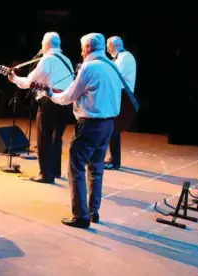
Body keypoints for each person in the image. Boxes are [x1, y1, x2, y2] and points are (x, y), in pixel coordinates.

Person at [47, 33, 122, 228]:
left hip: (90, 125)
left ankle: (80, 216)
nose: (81, 52)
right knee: (96, 169)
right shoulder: (112, 66)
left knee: (76, 167)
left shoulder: (90, 67)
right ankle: (92, 211)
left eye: (82, 48)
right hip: (108, 125)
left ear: (88, 48)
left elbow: (69, 96)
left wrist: (50, 94)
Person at [8, 32, 75, 183]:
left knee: (44, 137)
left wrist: (14, 79)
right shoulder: (67, 60)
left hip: (50, 102)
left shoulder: (47, 60)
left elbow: (29, 82)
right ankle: (55, 171)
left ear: (46, 45)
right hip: (66, 103)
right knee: (56, 138)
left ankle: (46, 174)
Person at [105, 36, 137, 170]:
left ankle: (115, 161)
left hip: (123, 95)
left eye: (108, 45)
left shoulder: (125, 57)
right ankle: (113, 158)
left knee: (115, 128)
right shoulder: (120, 57)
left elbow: (114, 74)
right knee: (113, 128)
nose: (106, 48)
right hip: (119, 94)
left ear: (114, 46)